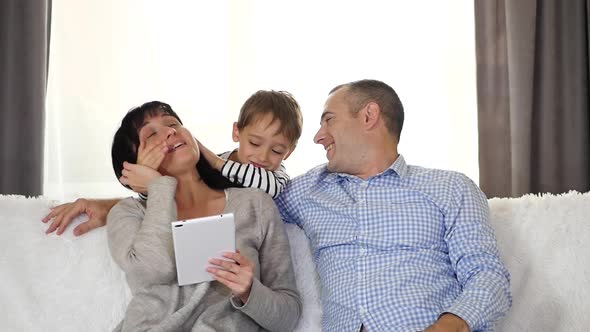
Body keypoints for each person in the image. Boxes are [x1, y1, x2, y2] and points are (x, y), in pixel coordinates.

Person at [43, 80, 511, 331]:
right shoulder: (304, 194)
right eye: (152, 135)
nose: (318, 136)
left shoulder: (449, 188)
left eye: (328, 119)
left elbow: (488, 276)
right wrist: (122, 198)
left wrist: (248, 290)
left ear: (369, 117)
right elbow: (151, 265)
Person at [105, 101, 301, 331]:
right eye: (151, 136)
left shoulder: (254, 204)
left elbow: (287, 317)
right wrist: (158, 187)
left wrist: (249, 291)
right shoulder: (128, 214)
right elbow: (154, 270)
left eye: (173, 123)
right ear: (132, 168)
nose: (170, 131)